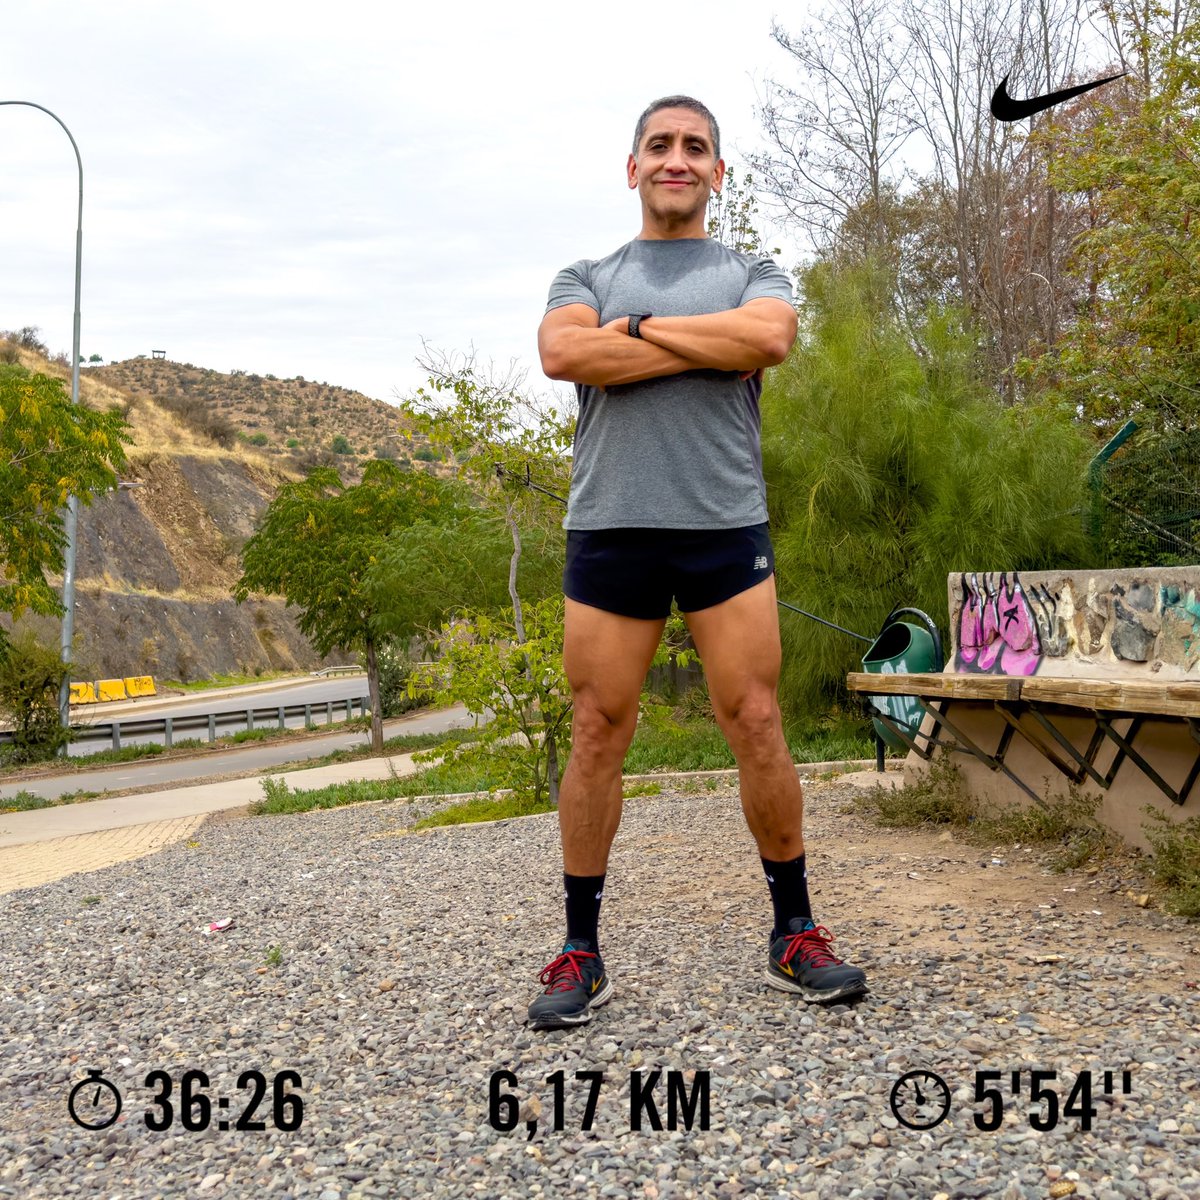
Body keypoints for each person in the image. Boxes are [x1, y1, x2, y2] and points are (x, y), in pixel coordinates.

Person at [528, 95, 868, 1030]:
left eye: (696, 147)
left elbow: (767, 338)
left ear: (718, 171)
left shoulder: (752, 270)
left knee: (756, 718)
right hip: (612, 525)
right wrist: (695, 345)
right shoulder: (585, 272)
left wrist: (630, 335)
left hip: (723, 524)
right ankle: (580, 950)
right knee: (599, 728)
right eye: (660, 145)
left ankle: (794, 932)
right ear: (630, 166)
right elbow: (562, 354)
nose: (677, 159)